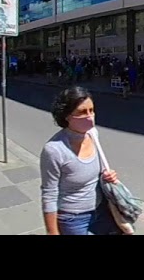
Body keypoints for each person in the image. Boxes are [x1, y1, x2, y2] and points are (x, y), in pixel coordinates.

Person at [40, 86, 121, 235]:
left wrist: (107, 176)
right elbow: (49, 194)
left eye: (91, 110)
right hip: (73, 220)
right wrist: (52, 232)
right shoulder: (54, 150)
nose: (90, 116)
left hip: (102, 212)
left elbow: (95, 170)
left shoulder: (93, 133)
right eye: (82, 112)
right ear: (67, 116)